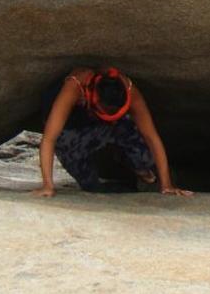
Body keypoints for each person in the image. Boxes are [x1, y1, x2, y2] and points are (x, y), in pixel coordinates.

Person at [31, 66, 193, 197]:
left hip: (109, 129)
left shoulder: (128, 89)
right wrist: (48, 185)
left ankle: (141, 169)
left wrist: (166, 185)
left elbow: (151, 136)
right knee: (91, 187)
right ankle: (109, 182)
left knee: (130, 133)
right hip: (71, 134)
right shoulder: (75, 86)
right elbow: (49, 138)